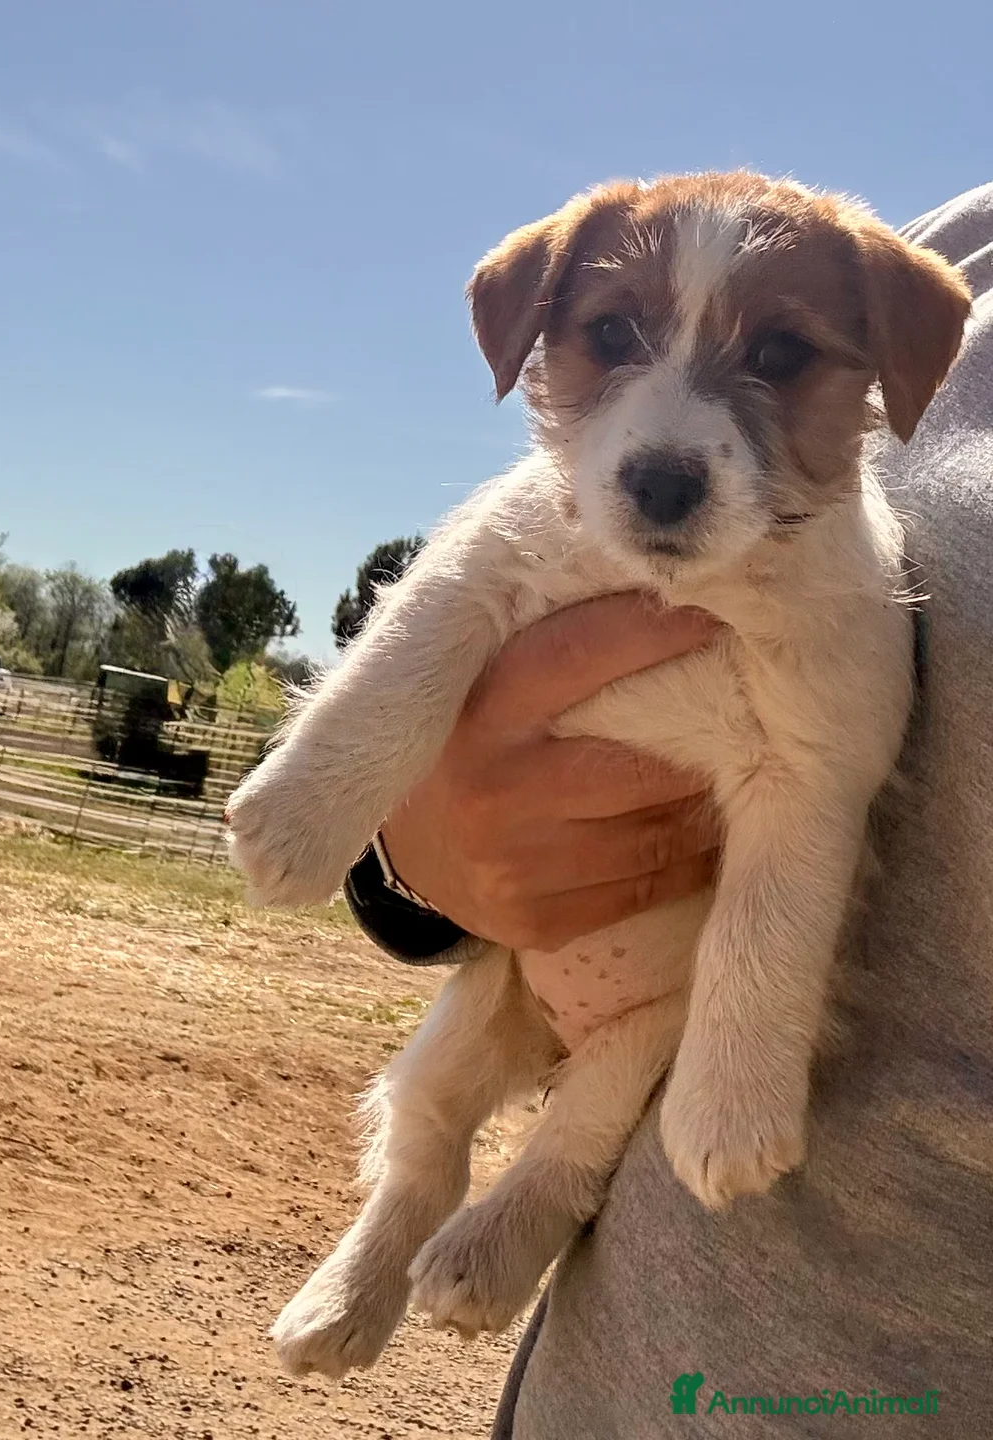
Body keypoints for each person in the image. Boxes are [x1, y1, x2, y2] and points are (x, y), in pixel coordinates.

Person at [344, 184, 993, 1436]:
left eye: (780, 356)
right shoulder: (952, 247)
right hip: (629, 1374)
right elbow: (526, 568)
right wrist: (413, 851)